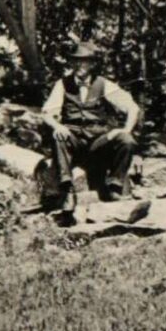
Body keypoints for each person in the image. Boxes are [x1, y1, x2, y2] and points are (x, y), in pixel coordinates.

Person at [40, 40, 140, 217]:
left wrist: (126, 129)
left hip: (97, 142)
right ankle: (67, 190)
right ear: (71, 63)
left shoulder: (103, 84)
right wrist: (57, 125)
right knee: (58, 135)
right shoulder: (62, 84)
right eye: (76, 61)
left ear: (93, 63)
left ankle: (114, 187)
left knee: (127, 140)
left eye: (84, 61)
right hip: (74, 140)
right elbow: (46, 112)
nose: (79, 65)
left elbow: (133, 108)